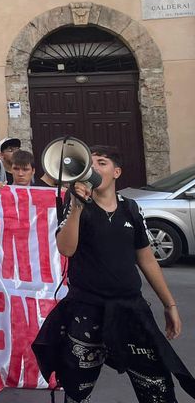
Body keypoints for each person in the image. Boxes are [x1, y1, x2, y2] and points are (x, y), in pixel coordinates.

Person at [33, 146, 195, 402]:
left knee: (157, 385)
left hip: (129, 309)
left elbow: (146, 258)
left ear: (116, 172)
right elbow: (66, 248)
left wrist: (169, 303)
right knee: (77, 388)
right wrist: (76, 207)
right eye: (91, 162)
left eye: (102, 162)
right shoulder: (75, 204)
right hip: (86, 310)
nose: (94, 167)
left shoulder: (131, 208)